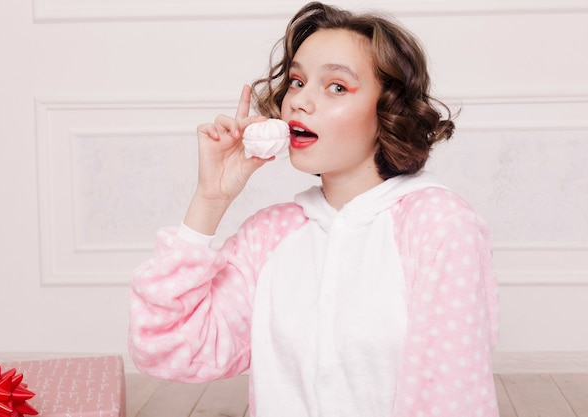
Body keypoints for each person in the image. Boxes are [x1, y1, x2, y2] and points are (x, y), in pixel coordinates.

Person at [128, 2, 500, 416]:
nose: (300, 102)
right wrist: (210, 199)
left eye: (337, 87)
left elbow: (449, 398)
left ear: (388, 111)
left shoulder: (439, 225)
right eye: (297, 81)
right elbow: (166, 349)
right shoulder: (269, 236)